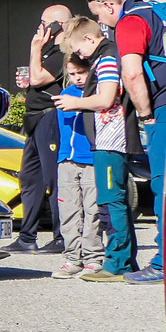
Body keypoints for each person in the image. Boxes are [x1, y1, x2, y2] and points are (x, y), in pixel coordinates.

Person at [87, 0, 166, 286]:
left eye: (100, 16)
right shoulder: (160, 11)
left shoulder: (130, 21)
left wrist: (146, 115)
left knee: (164, 185)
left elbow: (133, 72)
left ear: (108, 4)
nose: (102, 24)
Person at [55, 18, 134, 280]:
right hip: (102, 141)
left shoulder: (108, 58)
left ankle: (116, 262)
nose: (79, 56)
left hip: (110, 140)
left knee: (110, 202)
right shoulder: (104, 57)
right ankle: (116, 260)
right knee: (105, 203)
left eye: (79, 49)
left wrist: (76, 103)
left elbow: (106, 98)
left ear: (89, 39)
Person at [6, 3, 74, 254]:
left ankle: (60, 236)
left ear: (59, 25)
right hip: (35, 118)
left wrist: (35, 48)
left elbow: (37, 78)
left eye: (45, 22)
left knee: (53, 177)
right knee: (29, 177)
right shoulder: (49, 52)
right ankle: (27, 236)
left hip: (50, 118)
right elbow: (34, 82)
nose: (40, 27)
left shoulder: (63, 52)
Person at [50, 55, 101, 278]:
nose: (77, 78)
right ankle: (72, 256)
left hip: (90, 158)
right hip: (66, 159)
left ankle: (93, 256)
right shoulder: (65, 93)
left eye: (81, 73)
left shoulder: (99, 93)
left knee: (93, 210)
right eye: (72, 74)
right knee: (68, 210)